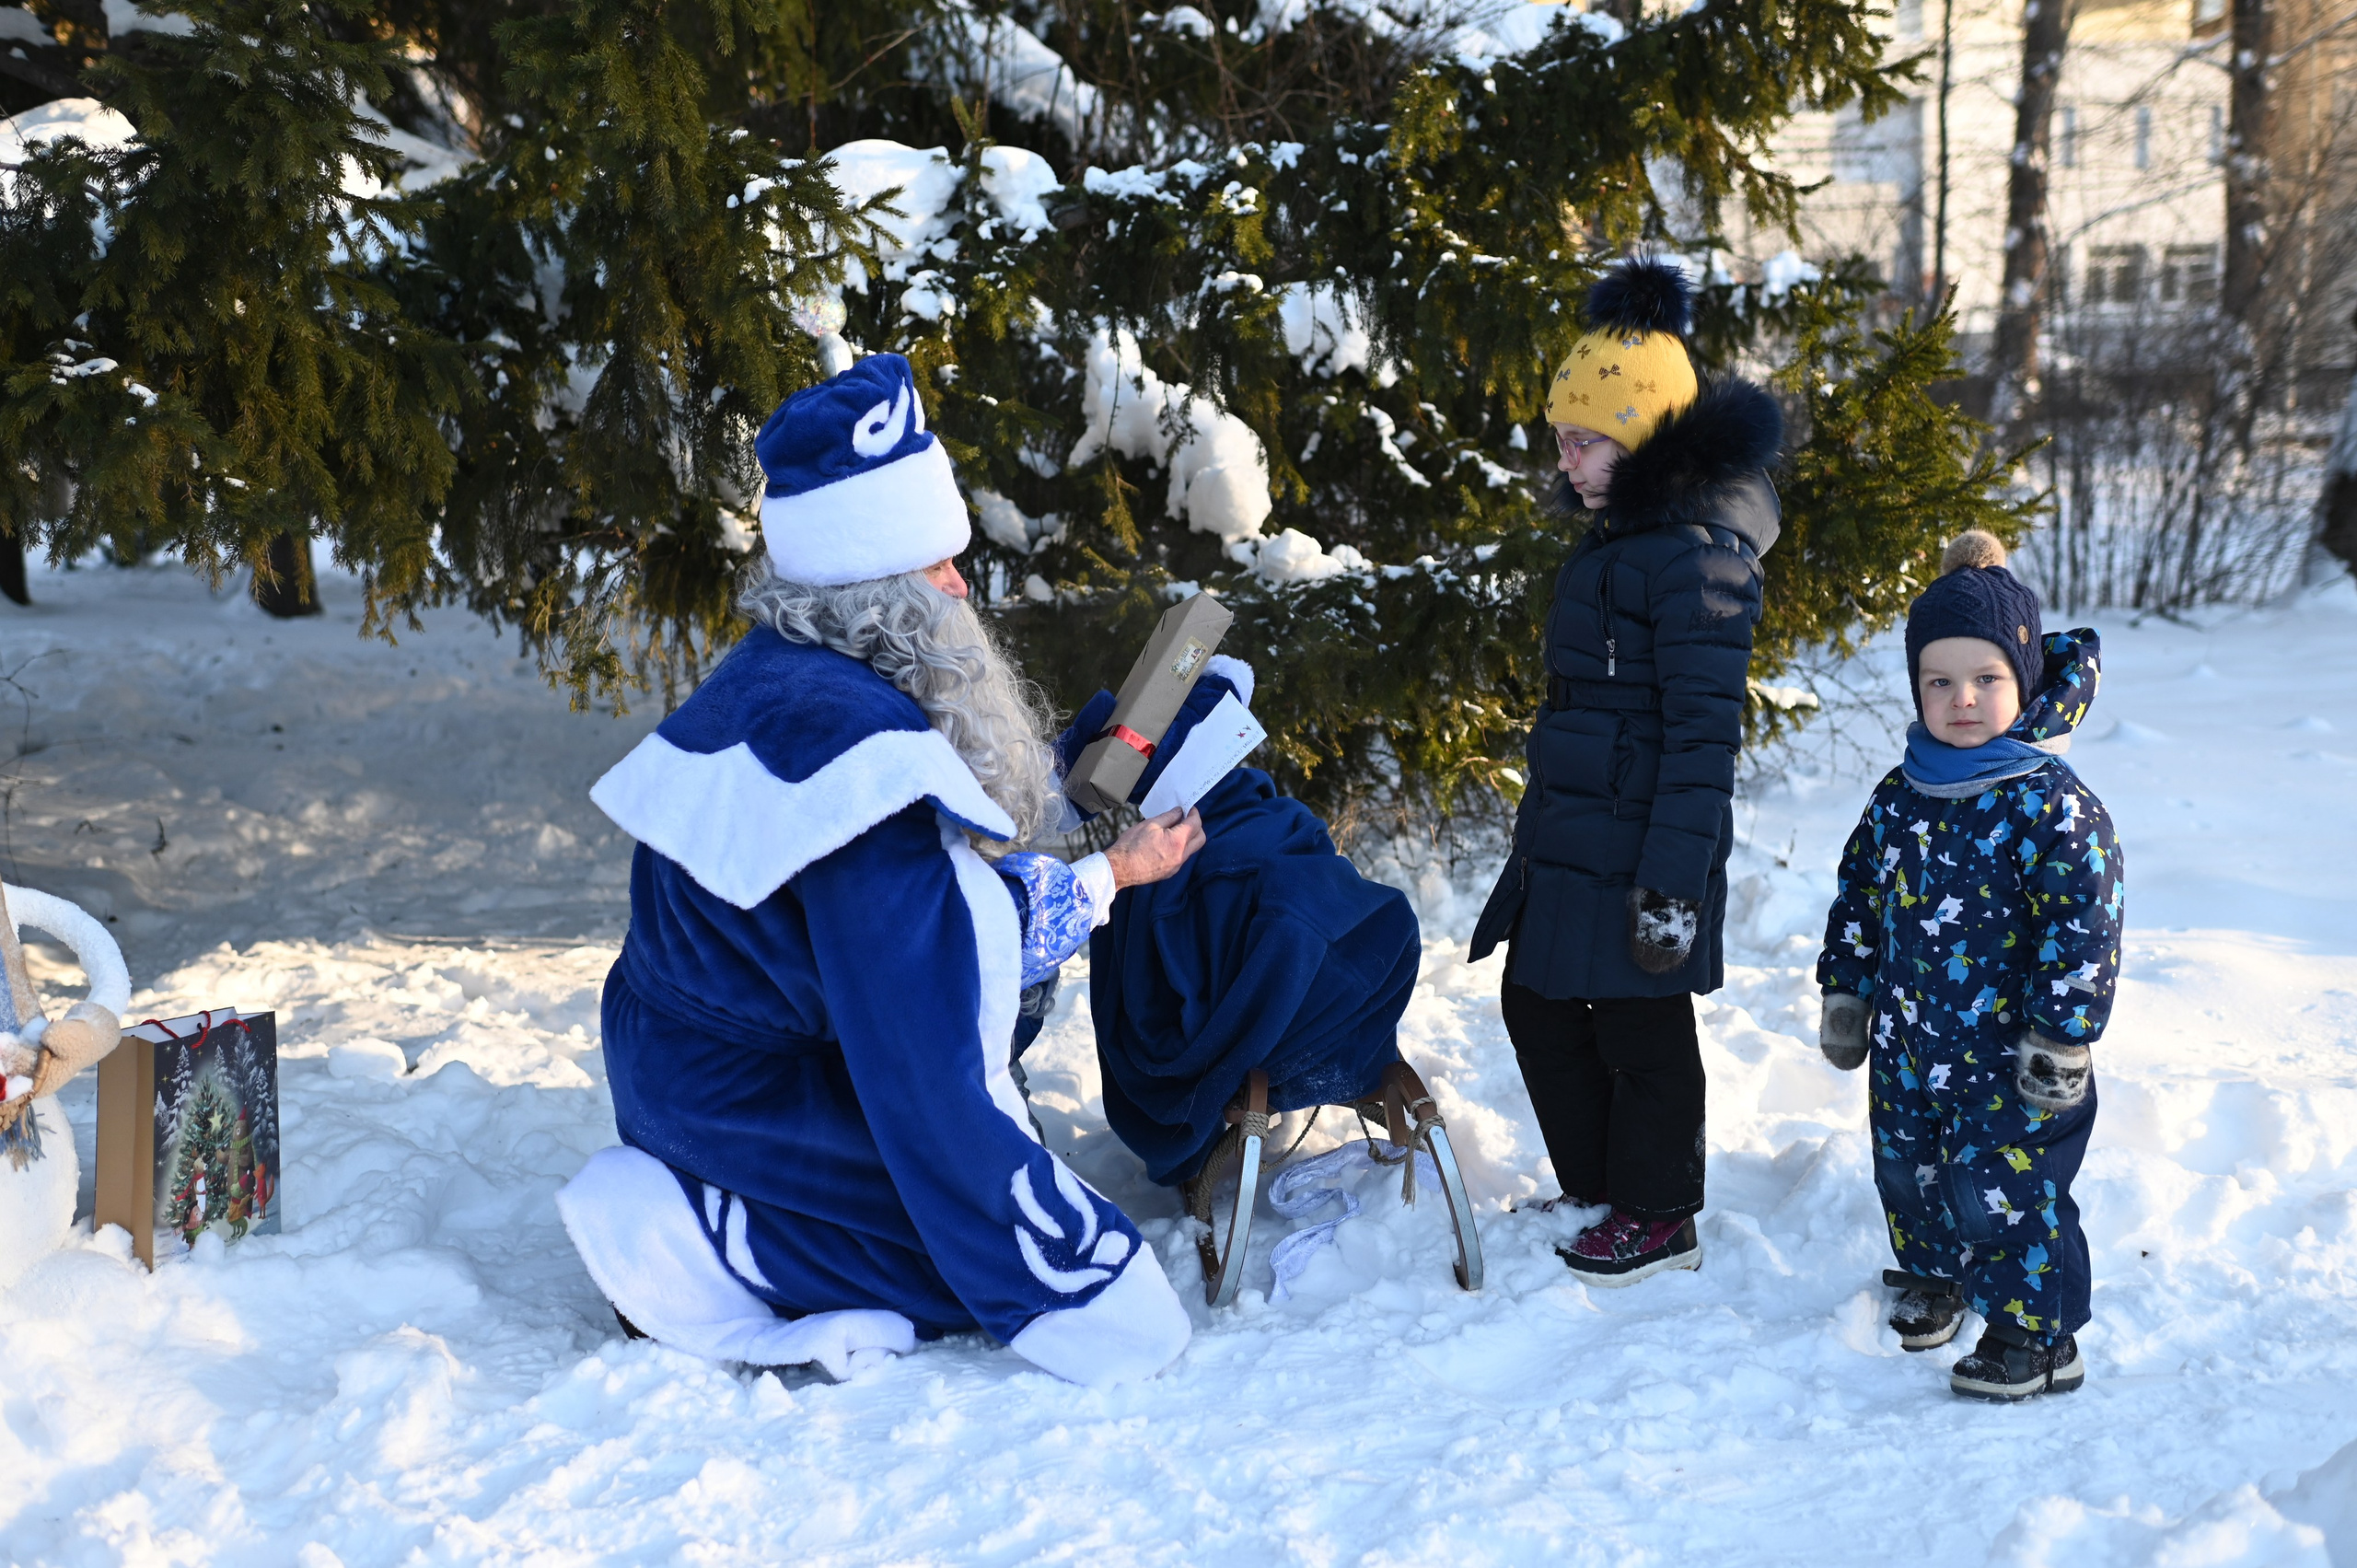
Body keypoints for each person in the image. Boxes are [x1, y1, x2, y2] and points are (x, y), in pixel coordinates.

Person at [556, 352, 1202, 1387]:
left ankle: (714, 1201)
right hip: (746, 1107)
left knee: (957, 1202)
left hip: (682, 1071)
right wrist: (1083, 1281)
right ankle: (698, 1237)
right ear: (884, 591)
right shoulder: (863, 771)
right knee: (960, 1259)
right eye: (940, 566)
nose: (962, 586)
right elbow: (921, 1045)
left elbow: (903, 932)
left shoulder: (786, 673)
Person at [1469, 258, 1783, 1286]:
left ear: (1644, 433)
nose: (1565, 458)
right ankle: (1599, 1183)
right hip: (1575, 832)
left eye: (1586, 438)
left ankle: (1660, 1211)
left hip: (1647, 844)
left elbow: (1702, 738)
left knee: (1642, 1027)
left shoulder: (1700, 559)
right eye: (1560, 436)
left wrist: (1672, 883)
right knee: (1538, 1003)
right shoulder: (1616, 542)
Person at [1815, 530, 2121, 1402]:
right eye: (1938, 681)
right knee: (1908, 1164)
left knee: (2008, 1184)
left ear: (2023, 680)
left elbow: (2083, 923)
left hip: (2008, 1050)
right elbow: (1861, 891)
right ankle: (1935, 1276)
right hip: (1910, 1038)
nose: (1962, 699)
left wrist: (2062, 1035)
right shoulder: (1902, 792)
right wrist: (1848, 989)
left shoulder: (2049, 804)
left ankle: (2039, 1335)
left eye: (1986, 678)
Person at [1072, 659, 1422, 1188]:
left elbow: (1147, 1012)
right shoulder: (1279, 820)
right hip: (1328, 1005)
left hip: (1279, 1016)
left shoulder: (1154, 871)